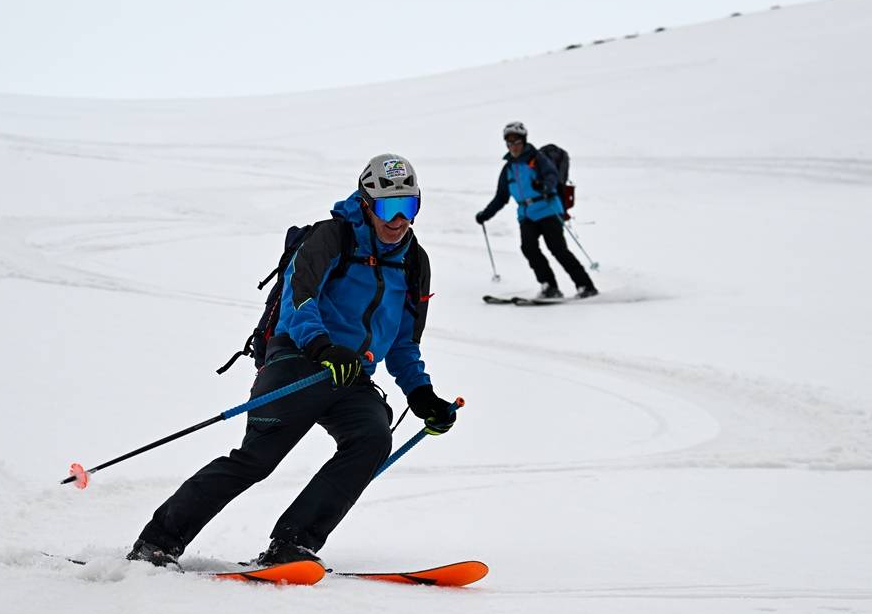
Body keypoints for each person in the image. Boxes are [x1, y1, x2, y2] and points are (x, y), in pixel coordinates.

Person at [128, 154, 457, 568]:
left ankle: (293, 543)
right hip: (299, 358)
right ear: (367, 202)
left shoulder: (413, 262)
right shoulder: (331, 237)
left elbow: (405, 342)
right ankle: (156, 543)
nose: (398, 220)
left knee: (372, 437)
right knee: (256, 460)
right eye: (389, 208)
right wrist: (321, 346)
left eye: (408, 207)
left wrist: (422, 394)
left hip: (349, 373)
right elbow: (297, 300)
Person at [475, 121, 598, 300]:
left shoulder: (537, 159)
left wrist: (545, 187)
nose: (513, 146)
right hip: (526, 215)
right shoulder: (508, 168)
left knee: (557, 249)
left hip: (548, 210)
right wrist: (485, 214)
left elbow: (552, 176)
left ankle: (585, 285)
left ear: (523, 141)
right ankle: (549, 286)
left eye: (516, 142)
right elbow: (501, 197)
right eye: (509, 143)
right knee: (528, 248)